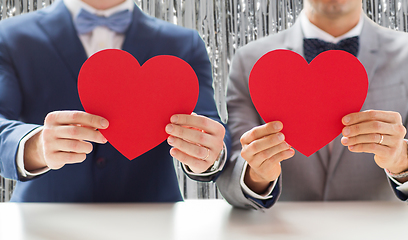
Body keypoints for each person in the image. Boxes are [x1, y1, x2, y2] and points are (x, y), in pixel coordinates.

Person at [0, 0, 230, 202]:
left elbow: (211, 126)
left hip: (153, 223)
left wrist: (208, 154)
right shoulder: (11, 36)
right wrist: (35, 146)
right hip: (41, 223)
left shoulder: (184, 44)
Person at [216, 0, 408, 210]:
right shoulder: (250, 60)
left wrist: (402, 162)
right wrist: (256, 175)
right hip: (282, 230)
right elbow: (230, 172)